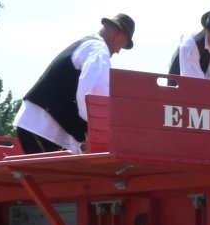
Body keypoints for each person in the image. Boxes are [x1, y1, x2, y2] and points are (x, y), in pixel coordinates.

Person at [13, 14, 134, 154]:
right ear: (118, 36)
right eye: (121, 46)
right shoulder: (99, 50)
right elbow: (94, 97)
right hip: (43, 126)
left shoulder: (87, 45)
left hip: (38, 123)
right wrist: (96, 132)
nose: (118, 52)